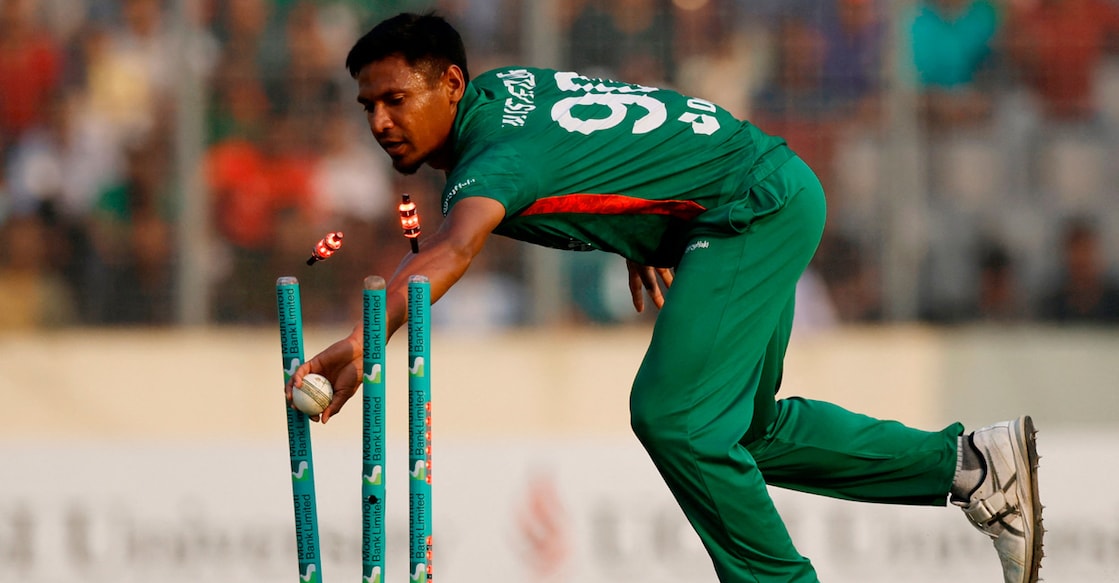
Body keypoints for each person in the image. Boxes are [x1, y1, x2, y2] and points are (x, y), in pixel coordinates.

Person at [287, 13, 1043, 583]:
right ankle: (971, 464)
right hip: (738, 195)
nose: (380, 122)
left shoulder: (492, 159)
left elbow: (453, 248)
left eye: (394, 99)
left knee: (671, 415)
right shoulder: (506, 88)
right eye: (366, 107)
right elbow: (618, 116)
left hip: (747, 209)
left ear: (450, 83)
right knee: (741, 431)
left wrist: (361, 344)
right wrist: (644, 224)